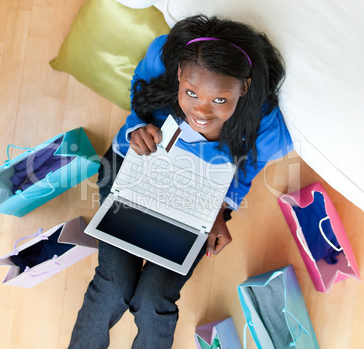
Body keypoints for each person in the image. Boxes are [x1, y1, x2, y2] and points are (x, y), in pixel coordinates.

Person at [69, 15, 293, 348]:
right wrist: (137, 129)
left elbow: (245, 172)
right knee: (113, 286)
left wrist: (219, 211)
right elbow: (139, 92)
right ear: (178, 75)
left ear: (243, 88)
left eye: (220, 100)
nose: (201, 112)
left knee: (153, 301)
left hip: (198, 202)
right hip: (129, 175)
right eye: (191, 93)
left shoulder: (265, 125)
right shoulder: (163, 57)